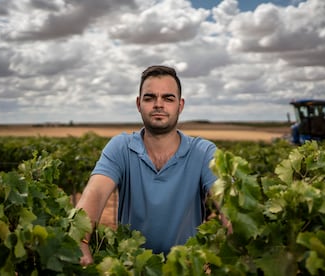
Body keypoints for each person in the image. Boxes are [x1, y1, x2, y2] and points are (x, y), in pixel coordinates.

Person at [76, 65, 219, 265]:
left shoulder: (203, 152)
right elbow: (96, 193)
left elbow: (226, 200)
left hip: (185, 269)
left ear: (180, 105)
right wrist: (81, 242)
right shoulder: (121, 147)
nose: (158, 104)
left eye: (168, 98)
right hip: (131, 268)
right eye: (150, 98)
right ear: (138, 103)